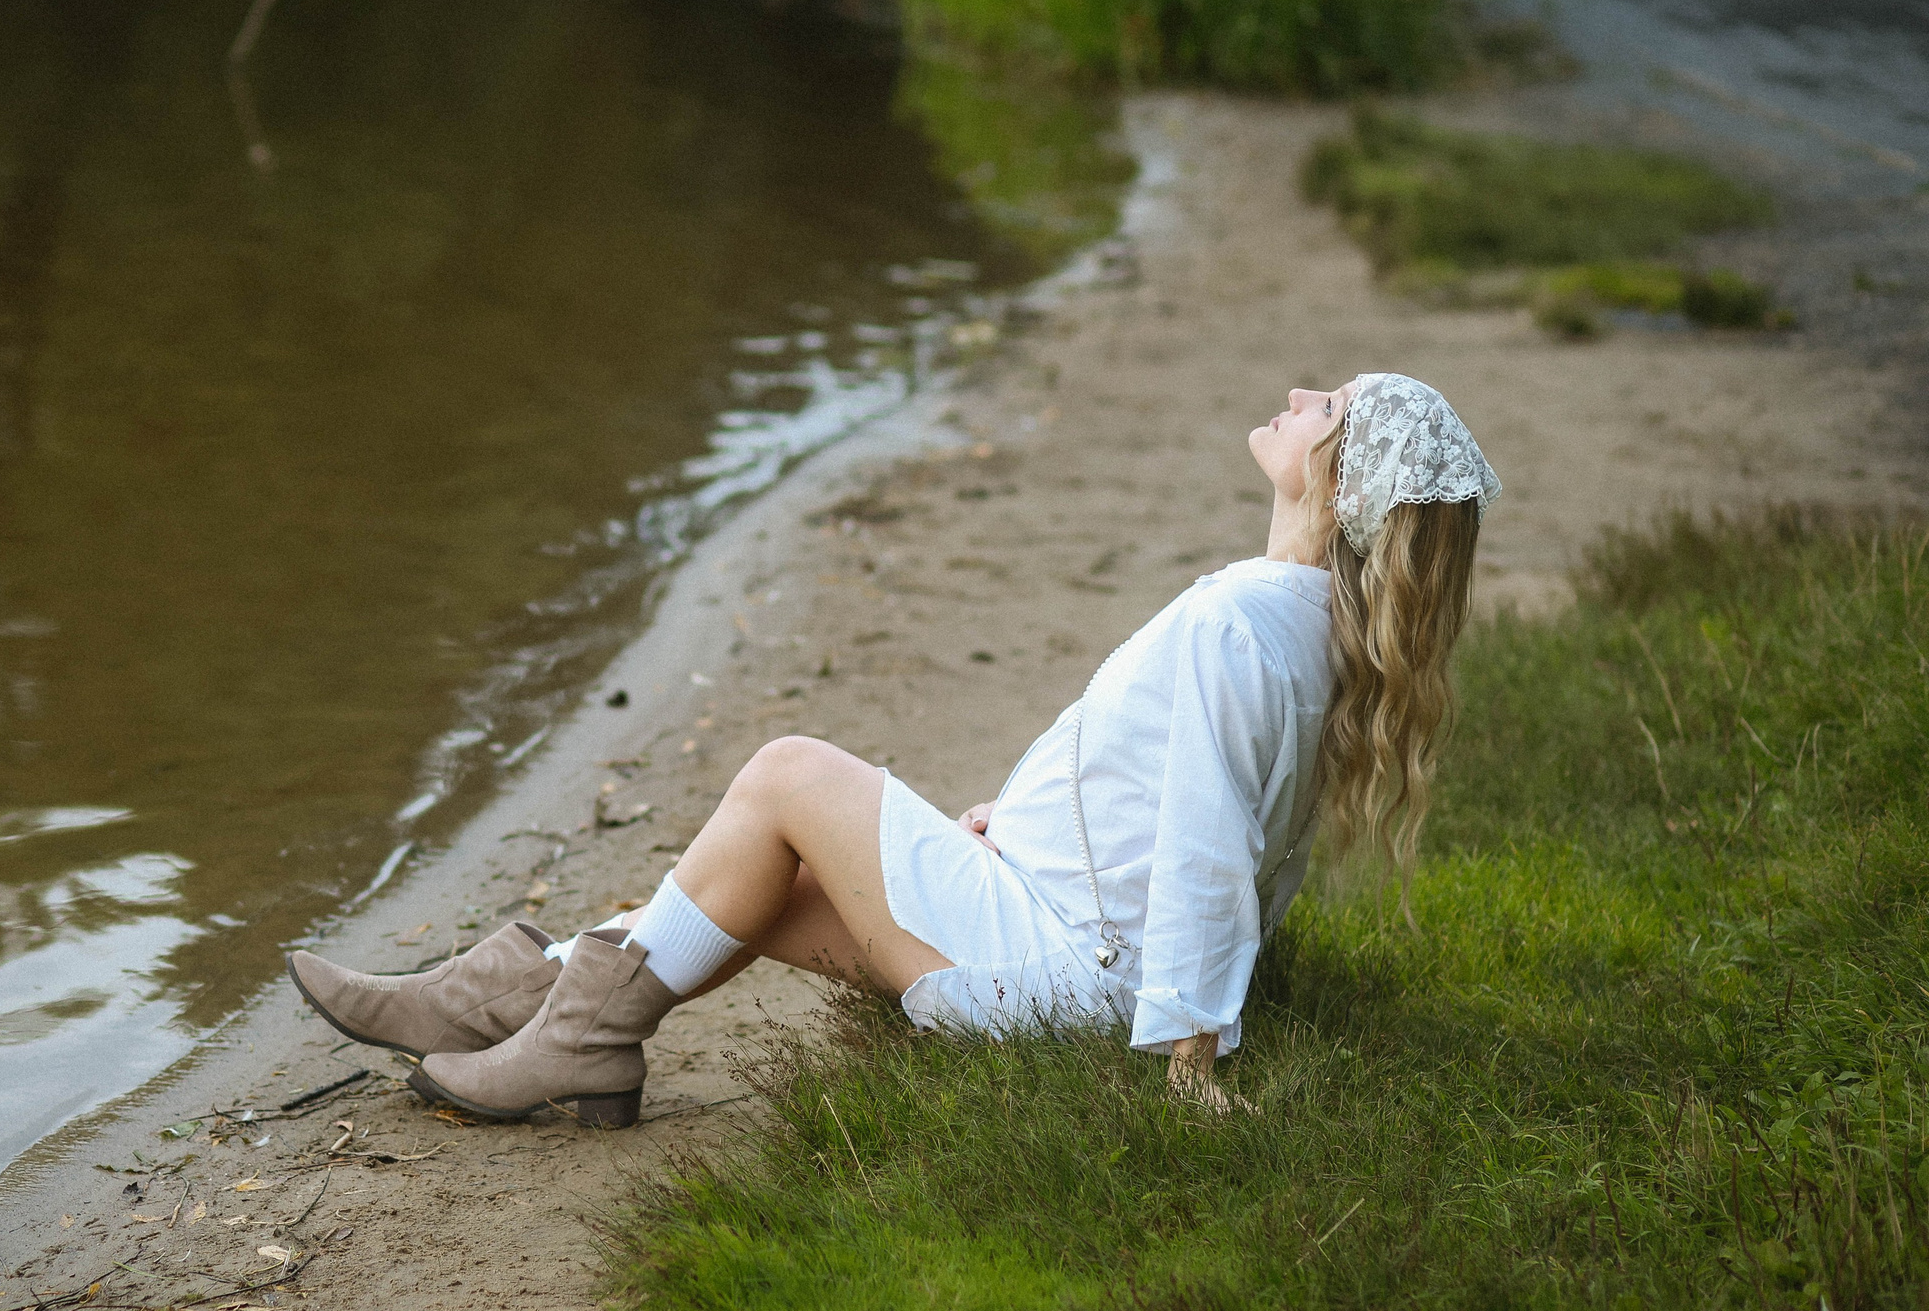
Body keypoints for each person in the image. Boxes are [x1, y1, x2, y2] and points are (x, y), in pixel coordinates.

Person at [287, 372, 1500, 1125]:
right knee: (765, 877)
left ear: (1338, 483)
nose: (1298, 393)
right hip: (1058, 912)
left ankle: (573, 1033)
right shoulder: (1303, 623)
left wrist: (1191, 1061)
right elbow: (1141, 790)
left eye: (1326, 406)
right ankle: (515, 1007)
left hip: (1074, 968)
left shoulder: (1248, 620)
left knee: (785, 772)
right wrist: (1005, 829)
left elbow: (1206, 847)